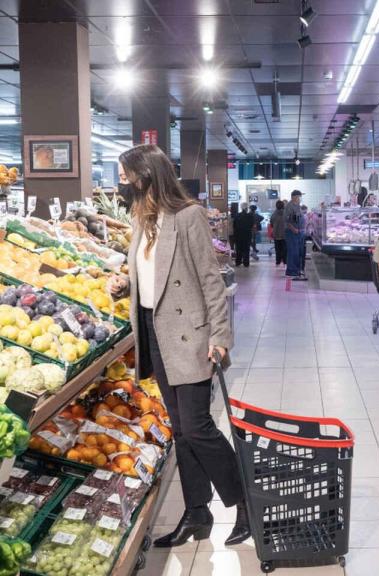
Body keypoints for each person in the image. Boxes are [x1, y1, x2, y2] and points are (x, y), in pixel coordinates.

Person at [117, 144, 249, 548]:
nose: (122, 182)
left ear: (146, 175)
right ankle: (196, 514)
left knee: (197, 426)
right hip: (155, 335)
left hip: (190, 337)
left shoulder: (188, 216)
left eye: (126, 175)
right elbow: (146, 276)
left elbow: (210, 279)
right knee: (181, 431)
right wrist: (124, 284)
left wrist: (220, 337)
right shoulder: (141, 219)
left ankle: (245, 502)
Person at [285, 190, 307, 280]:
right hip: (292, 233)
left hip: (298, 232)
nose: (300, 199)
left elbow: (297, 218)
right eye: (299, 197)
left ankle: (297, 270)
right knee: (293, 252)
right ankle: (292, 271)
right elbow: (287, 220)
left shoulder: (296, 206)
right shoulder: (289, 206)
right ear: (294, 197)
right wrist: (294, 229)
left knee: (298, 252)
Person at [232, 203, 254, 268]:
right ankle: (246, 262)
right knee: (246, 249)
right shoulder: (250, 216)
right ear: (247, 208)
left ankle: (238, 262)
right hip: (247, 235)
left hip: (238, 235)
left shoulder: (237, 216)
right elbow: (251, 225)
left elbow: (234, 226)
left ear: (241, 208)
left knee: (238, 249)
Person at [269, 200, 287, 266]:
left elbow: (271, 224)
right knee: (284, 248)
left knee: (277, 249)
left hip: (276, 234)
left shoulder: (273, 214)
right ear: (283, 206)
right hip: (284, 234)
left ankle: (278, 261)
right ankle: (285, 261)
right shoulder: (286, 213)